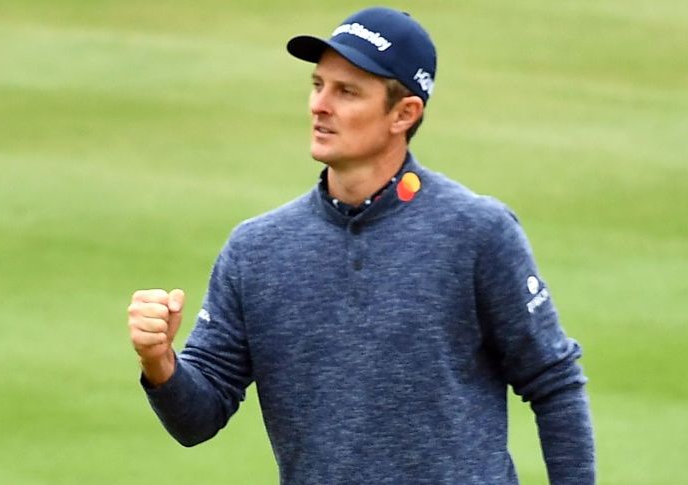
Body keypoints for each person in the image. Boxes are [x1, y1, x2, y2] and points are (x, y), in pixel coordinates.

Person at [127, 6, 595, 484]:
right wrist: (160, 361)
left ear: (403, 114)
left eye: (346, 92)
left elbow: (554, 383)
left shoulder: (476, 231)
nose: (319, 105)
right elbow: (198, 419)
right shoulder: (258, 250)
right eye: (317, 86)